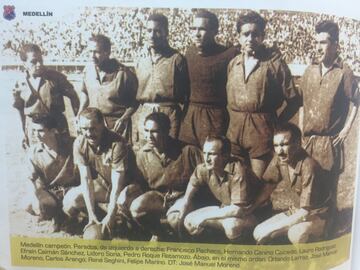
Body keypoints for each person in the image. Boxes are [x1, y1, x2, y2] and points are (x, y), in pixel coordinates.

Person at [226, 11, 300, 178]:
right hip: (234, 132)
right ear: (239, 37)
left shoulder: (274, 64)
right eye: (246, 34)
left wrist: (276, 124)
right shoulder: (233, 64)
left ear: (262, 36)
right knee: (236, 182)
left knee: (257, 184)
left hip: (262, 132)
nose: (250, 38)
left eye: (255, 34)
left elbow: (294, 100)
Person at [298, 20, 359, 201]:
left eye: (323, 42)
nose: (318, 47)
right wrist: (301, 127)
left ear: (335, 45)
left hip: (329, 142)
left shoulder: (344, 73)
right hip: (308, 140)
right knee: (306, 187)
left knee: (327, 191)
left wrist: (346, 129)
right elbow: (302, 102)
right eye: (316, 42)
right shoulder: (309, 71)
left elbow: (356, 101)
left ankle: (329, 226)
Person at [62, 108, 139, 239]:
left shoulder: (117, 143)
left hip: (126, 186)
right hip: (103, 184)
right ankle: (95, 219)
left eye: (92, 128)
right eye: (84, 129)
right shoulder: (80, 143)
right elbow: (86, 180)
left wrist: (111, 214)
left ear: (102, 124)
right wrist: (92, 215)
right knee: (70, 200)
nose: (88, 133)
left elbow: (117, 184)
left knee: (121, 201)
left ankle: (126, 226)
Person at [175, 135, 266, 243]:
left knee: (232, 226)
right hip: (227, 209)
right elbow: (193, 185)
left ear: (225, 156)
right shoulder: (204, 168)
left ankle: (242, 251)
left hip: (252, 213)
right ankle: (214, 248)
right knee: (189, 220)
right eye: (205, 153)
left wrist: (204, 217)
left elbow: (237, 210)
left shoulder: (238, 171)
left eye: (212, 154)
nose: (207, 158)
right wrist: (185, 204)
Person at [253, 123, 331, 244]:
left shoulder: (309, 166)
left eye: (284, 145)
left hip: (317, 215)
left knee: (295, 234)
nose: (279, 151)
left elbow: (305, 211)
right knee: (258, 232)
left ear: (298, 144)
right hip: (296, 211)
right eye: (276, 145)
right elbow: (269, 185)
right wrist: (249, 208)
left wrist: (270, 230)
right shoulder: (280, 159)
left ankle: (319, 239)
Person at [129, 112, 202, 241]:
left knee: (175, 218)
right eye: (146, 130)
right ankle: (160, 233)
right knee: (136, 208)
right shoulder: (142, 155)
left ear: (166, 131)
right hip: (159, 197)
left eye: (154, 131)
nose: (149, 136)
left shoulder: (187, 151)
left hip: (184, 198)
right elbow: (141, 184)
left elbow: (205, 176)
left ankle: (183, 243)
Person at [179, 9, 238, 148]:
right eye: (193, 29)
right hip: (190, 116)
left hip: (215, 117)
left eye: (202, 29)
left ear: (214, 31)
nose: (197, 34)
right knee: (188, 159)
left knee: (212, 158)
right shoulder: (189, 52)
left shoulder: (229, 54)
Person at [134, 13, 189, 145]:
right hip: (145, 112)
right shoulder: (140, 59)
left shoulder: (176, 59)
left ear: (166, 33)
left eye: (157, 31)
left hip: (168, 113)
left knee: (169, 153)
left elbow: (186, 93)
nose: (152, 35)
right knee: (144, 153)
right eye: (149, 31)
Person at [12, 43, 79, 147]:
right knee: (37, 159)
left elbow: (73, 96)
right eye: (34, 62)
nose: (39, 64)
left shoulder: (56, 77)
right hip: (34, 129)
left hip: (57, 127)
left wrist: (77, 119)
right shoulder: (19, 83)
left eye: (41, 60)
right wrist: (24, 133)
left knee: (62, 160)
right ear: (24, 64)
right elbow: (20, 110)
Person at [25, 114, 79, 232]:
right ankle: (56, 216)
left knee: (74, 203)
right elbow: (31, 179)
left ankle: (71, 216)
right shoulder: (33, 152)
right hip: (51, 191)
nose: (35, 135)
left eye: (40, 131)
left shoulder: (72, 144)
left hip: (73, 189)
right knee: (28, 204)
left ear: (53, 131)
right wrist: (35, 199)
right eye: (33, 131)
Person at [79, 34, 138, 142]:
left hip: (115, 126)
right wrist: (79, 113)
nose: (92, 55)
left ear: (107, 52)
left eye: (96, 52)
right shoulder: (88, 70)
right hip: (93, 125)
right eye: (90, 52)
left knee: (117, 156)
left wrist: (124, 119)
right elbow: (85, 92)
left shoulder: (123, 74)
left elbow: (135, 102)